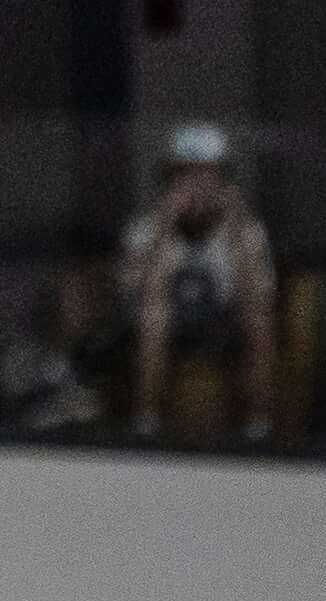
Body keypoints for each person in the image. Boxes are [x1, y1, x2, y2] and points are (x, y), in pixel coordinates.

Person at [123, 122, 275, 442]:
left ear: (222, 182)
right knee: (153, 316)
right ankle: (146, 424)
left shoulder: (248, 231)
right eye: (185, 176)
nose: (196, 187)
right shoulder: (144, 230)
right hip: (169, 325)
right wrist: (164, 227)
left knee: (259, 320)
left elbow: (257, 296)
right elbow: (139, 294)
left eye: (206, 176)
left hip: (223, 324)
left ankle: (258, 429)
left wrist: (235, 232)